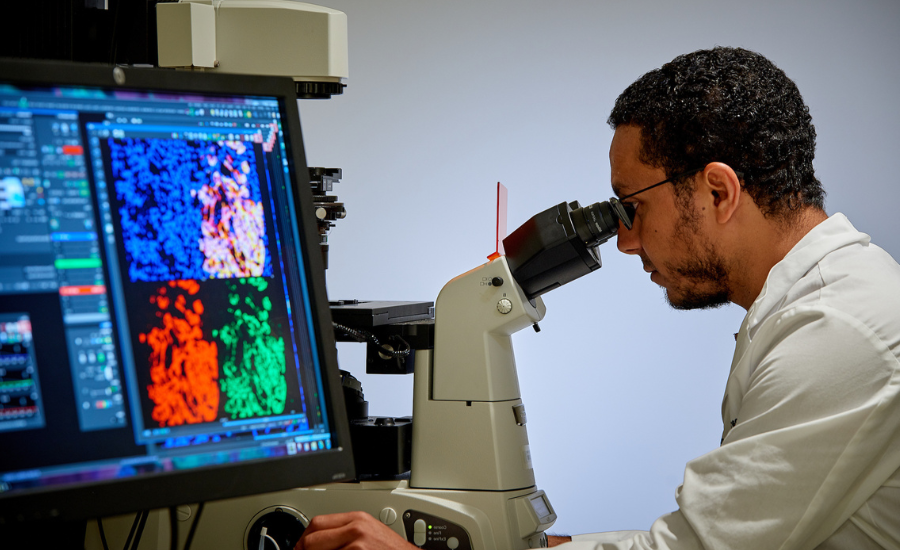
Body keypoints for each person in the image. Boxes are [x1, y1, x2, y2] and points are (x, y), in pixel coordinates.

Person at [295, 47, 900, 550]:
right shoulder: (813, 306)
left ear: (718, 191)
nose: (627, 242)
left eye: (631, 207)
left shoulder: (838, 331)